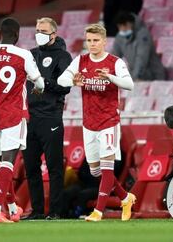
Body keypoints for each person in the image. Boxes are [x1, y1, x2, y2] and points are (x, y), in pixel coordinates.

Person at [58, 23, 135, 222]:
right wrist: (73, 81)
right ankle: (126, 197)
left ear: (104, 41)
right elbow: (61, 80)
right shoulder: (80, 60)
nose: (92, 44)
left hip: (109, 121)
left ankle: (98, 212)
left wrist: (109, 77)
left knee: (107, 168)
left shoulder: (115, 62)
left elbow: (130, 84)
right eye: (89, 40)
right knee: (95, 170)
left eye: (96, 41)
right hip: (89, 123)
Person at [0, 17, 45, 223]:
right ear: (17, 35)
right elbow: (39, 82)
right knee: (9, 163)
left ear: (0, 34)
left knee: (3, 163)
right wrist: (38, 89)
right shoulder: (23, 55)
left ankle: (13, 209)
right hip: (14, 113)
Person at [21, 17, 72, 220]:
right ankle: (37, 210)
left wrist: (43, 83)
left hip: (51, 117)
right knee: (31, 167)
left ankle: (56, 211)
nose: (39, 33)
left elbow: (65, 86)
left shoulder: (63, 56)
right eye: (37, 30)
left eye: (43, 30)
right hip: (30, 119)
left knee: (54, 167)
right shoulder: (30, 55)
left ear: (54, 34)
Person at [112, 11, 166, 81]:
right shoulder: (120, 37)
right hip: (135, 75)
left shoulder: (143, 35)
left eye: (125, 25)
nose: (123, 29)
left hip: (153, 75)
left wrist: (137, 76)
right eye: (120, 26)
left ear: (131, 23)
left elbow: (142, 57)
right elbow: (114, 56)